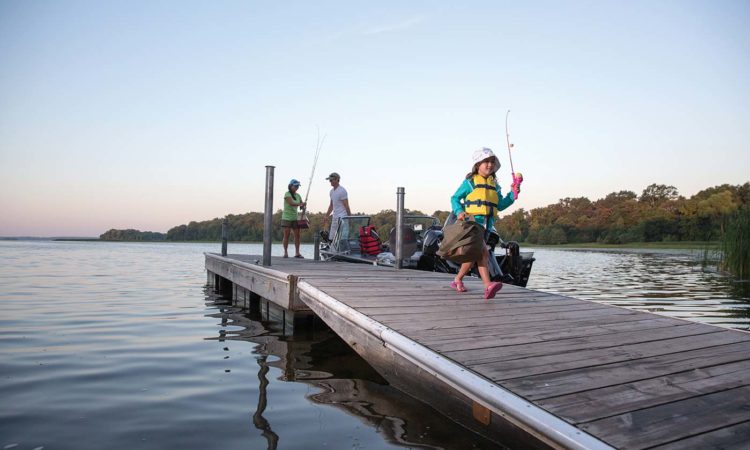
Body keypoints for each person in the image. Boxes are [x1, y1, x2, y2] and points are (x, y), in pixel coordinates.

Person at [449, 147, 522, 299]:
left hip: (488, 226)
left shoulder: (495, 185)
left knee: (474, 255)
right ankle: (488, 286)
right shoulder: (470, 183)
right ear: (477, 165)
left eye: (492, 162)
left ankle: (457, 280)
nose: (489, 165)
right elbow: (454, 198)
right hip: (472, 224)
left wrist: (512, 194)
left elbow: (500, 204)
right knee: (483, 252)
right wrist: (459, 212)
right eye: (486, 161)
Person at [322, 172, 351, 241]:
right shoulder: (331, 192)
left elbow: (347, 206)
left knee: (343, 238)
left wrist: (349, 218)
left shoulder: (342, 191)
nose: (330, 182)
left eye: (331, 180)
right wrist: (326, 216)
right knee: (331, 238)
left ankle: (343, 250)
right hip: (335, 217)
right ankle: (333, 250)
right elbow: (331, 206)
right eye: (329, 180)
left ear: (337, 179)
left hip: (343, 218)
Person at [281, 179, 306, 258]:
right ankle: (285, 252)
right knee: (287, 235)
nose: (297, 187)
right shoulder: (287, 194)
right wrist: (300, 204)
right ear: (291, 186)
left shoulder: (298, 195)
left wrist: (303, 206)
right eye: (295, 186)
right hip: (287, 218)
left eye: (298, 186)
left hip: (295, 218)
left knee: (297, 235)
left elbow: (301, 207)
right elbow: (291, 203)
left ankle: (297, 253)